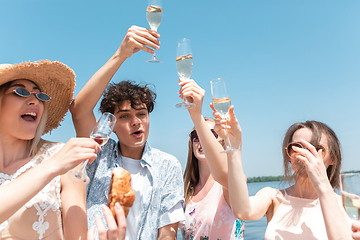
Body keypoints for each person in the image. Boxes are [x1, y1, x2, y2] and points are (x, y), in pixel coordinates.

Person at [70, 25, 185, 240]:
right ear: (111, 124)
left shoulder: (168, 165)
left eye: (141, 114)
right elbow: (78, 110)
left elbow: (168, 233)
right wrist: (121, 54)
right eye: (124, 116)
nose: (135, 122)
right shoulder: (98, 154)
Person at [210, 103, 353, 239]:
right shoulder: (274, 197)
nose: (304, 155)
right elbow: (242, 210)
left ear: (332, 158)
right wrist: (234, 146)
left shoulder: (348, 205)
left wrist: (322, 185)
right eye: (296, 148)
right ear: (288, 156)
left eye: (315, 149)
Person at [0, 60, 102, 240]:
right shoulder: (58, 161)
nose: (34, 101)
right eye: (20, 91)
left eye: (40, 96)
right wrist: (52, 166)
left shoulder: (64, 157)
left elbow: (77, 237)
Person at [178, 79, 245, 239]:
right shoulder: (185, 192)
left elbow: (226, 173)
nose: (201, 140)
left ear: (221, 141)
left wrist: (196, 115)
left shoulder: (228, 184)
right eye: (197, 135)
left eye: (211, 135)